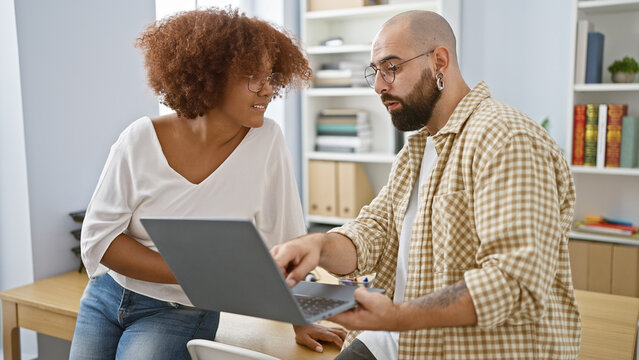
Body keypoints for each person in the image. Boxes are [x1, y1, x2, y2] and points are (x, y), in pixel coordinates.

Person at [271, 10, 580, 360]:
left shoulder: (507, 140)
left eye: (392, 67)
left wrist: (400, 316)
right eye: (375, 71)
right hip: (400, 339)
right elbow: (374, 231)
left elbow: (513, 282)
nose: (378, 85)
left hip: (473, 349)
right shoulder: (415, 152)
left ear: (439, 62)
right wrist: (319, 245)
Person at [69, 8, 346, 359]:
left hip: (181, 312)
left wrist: (300, 319)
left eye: (270, 76)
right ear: (209, 78)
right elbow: (99, 239)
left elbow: (287, 238)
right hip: (106, 294)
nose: (267, 89)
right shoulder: (140, 138)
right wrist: (198, 271)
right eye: (252, 77)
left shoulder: (267, 141)